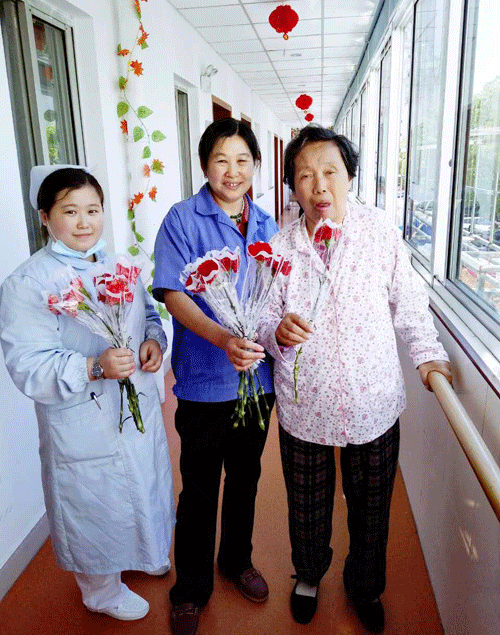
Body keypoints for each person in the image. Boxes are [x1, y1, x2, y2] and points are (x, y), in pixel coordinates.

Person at [257, 126, 452, 633]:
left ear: (350, 177)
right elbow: (262, 317)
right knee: (306, 504)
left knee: (372, 508)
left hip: (373, 399)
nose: (319, 185)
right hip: (305, 402)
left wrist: (428, 356)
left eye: (331, 172)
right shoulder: (280, 247)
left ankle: (365, 586)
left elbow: (408, 301)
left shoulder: (379, 232)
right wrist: (276, 331)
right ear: (292, 187)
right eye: (305, 176)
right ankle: (308, 575)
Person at [0, 165, 175, 621]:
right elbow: (28, 364)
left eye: (93, 210)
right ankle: (101, 592)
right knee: (95, 503)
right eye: (70, 211)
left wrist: (153, 341)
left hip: (133, 408)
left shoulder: (118, 265)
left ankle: (144, 550)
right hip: (82, 417)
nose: (84, 222)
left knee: (143, 482)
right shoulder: (29, 283)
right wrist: (92, 367)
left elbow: (148, 316)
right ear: (45, 217)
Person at [153, 118, 277, 635]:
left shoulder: (267, 224)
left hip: (259, 381)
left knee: (246, 478)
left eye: (243, 160)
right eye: (221, 160)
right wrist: (224, 338)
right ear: (205, 165)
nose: (233, 170)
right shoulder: (182, 219)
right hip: (205, 381)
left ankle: (236, 560)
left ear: (255, 165)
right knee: (201, 488)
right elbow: (174, 295)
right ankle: (190, 588)